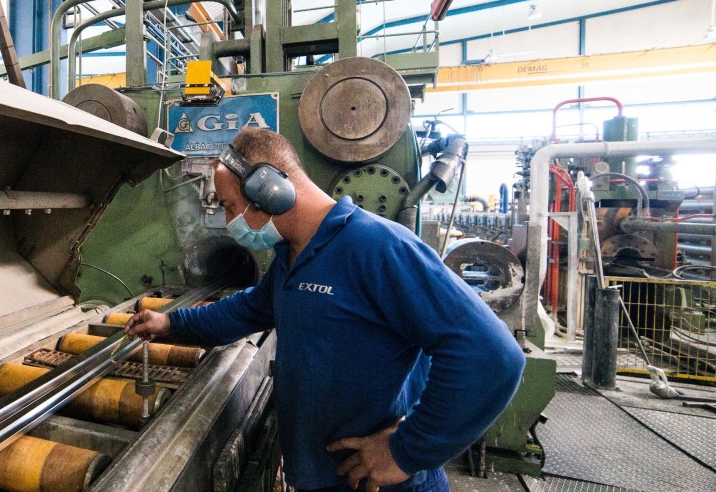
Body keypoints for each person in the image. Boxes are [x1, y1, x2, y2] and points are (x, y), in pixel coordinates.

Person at [124, 128, 525, 492]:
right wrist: (170, 323)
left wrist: (407, 451)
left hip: (377, 482)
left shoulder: (376, 246)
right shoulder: (291, 254)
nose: (230, 222)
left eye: (230, 206)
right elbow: (248, 311)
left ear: (268, 191)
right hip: (322, 477)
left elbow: (492, 355)